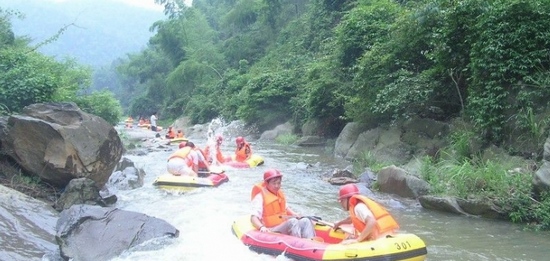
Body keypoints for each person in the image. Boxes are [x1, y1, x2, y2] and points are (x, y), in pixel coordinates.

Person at [250, 169, 316, 239]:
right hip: (270, 229)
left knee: (305, 220)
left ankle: (311, 241)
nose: (277, 186)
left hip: (282, 225)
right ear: (266, 183)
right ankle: (297, 242)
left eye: (279, 183)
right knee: (292, 222)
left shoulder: (279, 194)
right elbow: (253, 217)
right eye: (274, 183)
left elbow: (285, 208)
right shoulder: (260, 197)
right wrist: (262, 227)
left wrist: (295, 214)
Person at [333, 184, 399, 244]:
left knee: (344, 243)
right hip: (387, 236)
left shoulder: (358, 207)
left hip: (381, 240)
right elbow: (352, 219)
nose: (341, 203)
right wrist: (339, 223)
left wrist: (357, 240)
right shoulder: (359, 206)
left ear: (348, 198)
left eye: (342, 200)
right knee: (350, 237)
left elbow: (372, 221)